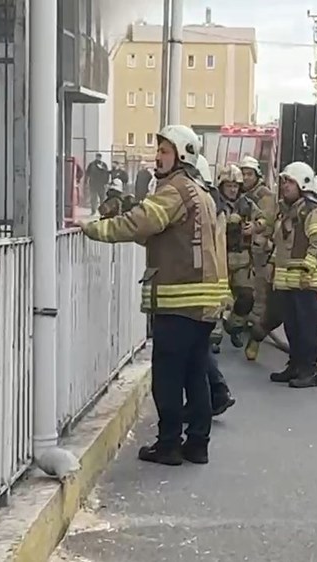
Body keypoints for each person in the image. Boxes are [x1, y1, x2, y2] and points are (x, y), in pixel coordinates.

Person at [80, 124, 227, 466]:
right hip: (202, 304)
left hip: (179, 304)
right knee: (195, 374)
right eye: (158, 150)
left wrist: (93, 228)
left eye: (164, 151)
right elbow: (163, 235)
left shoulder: (175, 190)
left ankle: (169, 444)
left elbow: (142, 223)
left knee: (169, 376)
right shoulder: (199, 191)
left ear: (182, 155)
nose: (157, 157)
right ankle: (197, 445)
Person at [268, 162, 317, 389]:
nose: (285, 186)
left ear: (303, 184)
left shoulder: (313, 211)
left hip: (304, 283)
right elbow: (281, 244)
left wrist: (307, 269)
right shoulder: (287, 211)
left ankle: (308, 372)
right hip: (287, 283)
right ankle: (294, 366)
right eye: (283, 181)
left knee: (306, 329)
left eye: (290, 182)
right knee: (292, 328)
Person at [193, 154, 236, 415]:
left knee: (196, 348)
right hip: (213, 286)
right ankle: (217, 393)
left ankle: (218, 393)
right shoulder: (215, 205)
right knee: (198, 347)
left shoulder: (204, 205)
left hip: (201, 288)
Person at [217, 164, 263, 348]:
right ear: (221, 186)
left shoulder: (247, 204)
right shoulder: (214, 203)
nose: (232, 189)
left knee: (246, 298)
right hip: (219, 257)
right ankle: (215, 336)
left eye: (235, 186)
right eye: (229, 186)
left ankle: (234, 327)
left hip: (242, 259)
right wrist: (227, 222)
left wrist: (255, 226)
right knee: (217, 299)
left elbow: (263, 220)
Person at [239, 156, 278, 358]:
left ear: (257, 176)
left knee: (261, 294)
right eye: (243, 173)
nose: (245, 178)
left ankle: (254, 338)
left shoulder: (265, 196)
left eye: (249, 174)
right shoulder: (241, 194)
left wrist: (256, 227)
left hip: (260, 253)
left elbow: (268, 220)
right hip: (242, 253)